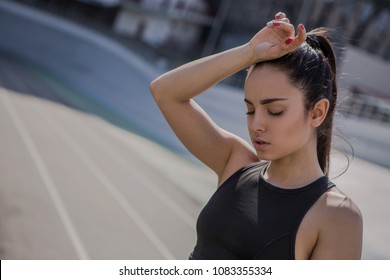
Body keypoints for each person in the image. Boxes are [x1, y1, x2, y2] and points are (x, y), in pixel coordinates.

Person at [149, 12, 363, 260]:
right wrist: (250, 52)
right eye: (250, 110)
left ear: (317, 112)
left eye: (274, 111)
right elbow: (165, 92)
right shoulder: (236, 164)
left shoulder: (336, 215)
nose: (256, 124)